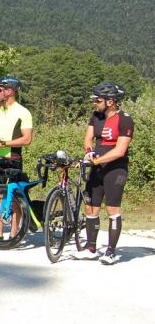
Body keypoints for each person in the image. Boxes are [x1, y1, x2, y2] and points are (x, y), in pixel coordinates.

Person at [74, 82, 133, 265]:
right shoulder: (96, 116)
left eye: (98, 100)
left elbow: (120, 150)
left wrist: (98, 161)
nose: (95, 103)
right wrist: (89, 152)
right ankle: (91, 249)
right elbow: (88, 139)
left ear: (110, 101)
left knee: (112, 209)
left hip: (115, 169)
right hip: (97, 166)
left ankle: (110, 251)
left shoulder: (125, 119)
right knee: (91, 207)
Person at [0, 75, 33, 239]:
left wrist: (4, 143)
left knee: (13, 198)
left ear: (10, 91)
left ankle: (14, 235)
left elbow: (27, 139)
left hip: (13, 158)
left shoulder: (23, 112)